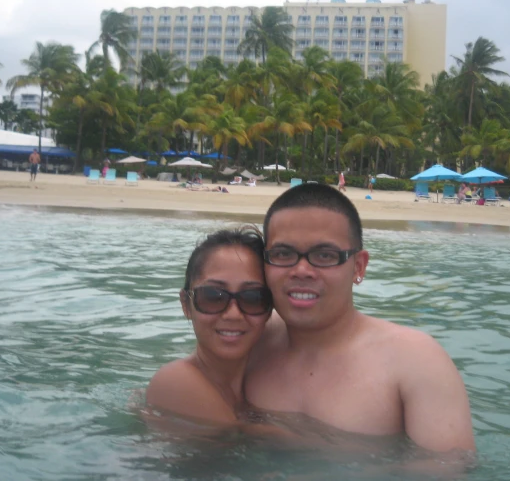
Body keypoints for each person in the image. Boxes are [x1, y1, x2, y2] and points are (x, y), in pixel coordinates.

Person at [245, 183, 475, 453]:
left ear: (359, 266)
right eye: (283, 254)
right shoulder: (250, 339)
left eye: (325, 255)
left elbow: (447, 470)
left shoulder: (416, 361)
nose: (302, 270)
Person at [145, 227, 273, 423]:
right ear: (186, 305)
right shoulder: (175, 382)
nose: (233, 314)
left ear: (269, 309)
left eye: (253, 298)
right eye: (213, 296)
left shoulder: (252, 384)